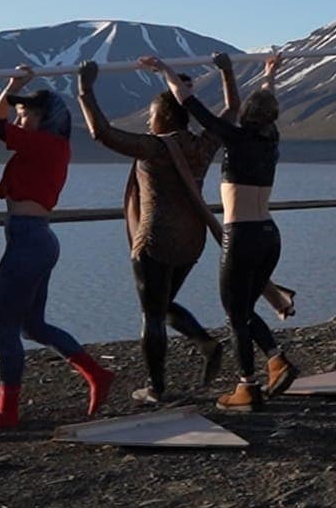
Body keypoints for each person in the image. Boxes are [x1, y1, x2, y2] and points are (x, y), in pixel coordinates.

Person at [0, 65, 115, 431]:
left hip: (28, 241)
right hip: (35, 239)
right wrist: (12, 86)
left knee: (4, 330)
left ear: (47, 120)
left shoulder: (45, 144)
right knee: (32, 326)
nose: (20, 118)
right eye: (20, 113)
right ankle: (96, 373)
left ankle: (8, 410)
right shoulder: (48, 145)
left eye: (28, 114)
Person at [74, 56, 234, 404]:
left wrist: (84, 90)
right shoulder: (201, 145)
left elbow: (101, 133)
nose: (148, 122)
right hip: (191, 242)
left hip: (156, 241)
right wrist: (227, 73)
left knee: (152, 314)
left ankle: (156, 388)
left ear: (162, 117)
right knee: (162, 305)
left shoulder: (153, 147)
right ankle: (205, 343)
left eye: (151, 116)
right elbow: (231, 111)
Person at [144, 54, 300, 410]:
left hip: (241, 237)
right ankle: (276, 360)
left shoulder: (235, 137)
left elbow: (188, 102)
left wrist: (165, 70)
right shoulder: (270, 140)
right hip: (268, 236)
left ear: (247, 116)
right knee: (244, 308)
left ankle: (247, 387)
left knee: (235, 315)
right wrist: (269, 75)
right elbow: (266, 103)